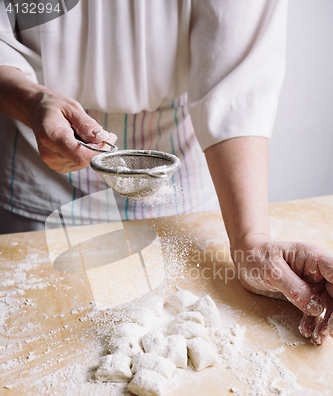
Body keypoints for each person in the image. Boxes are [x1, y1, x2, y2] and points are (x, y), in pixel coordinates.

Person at [0, 0, 332, 345]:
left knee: (171, 307)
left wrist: (251, 241)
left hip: (175, 171)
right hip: (39, 158)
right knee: (37, 320)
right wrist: (29, 100)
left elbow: (237, 83)